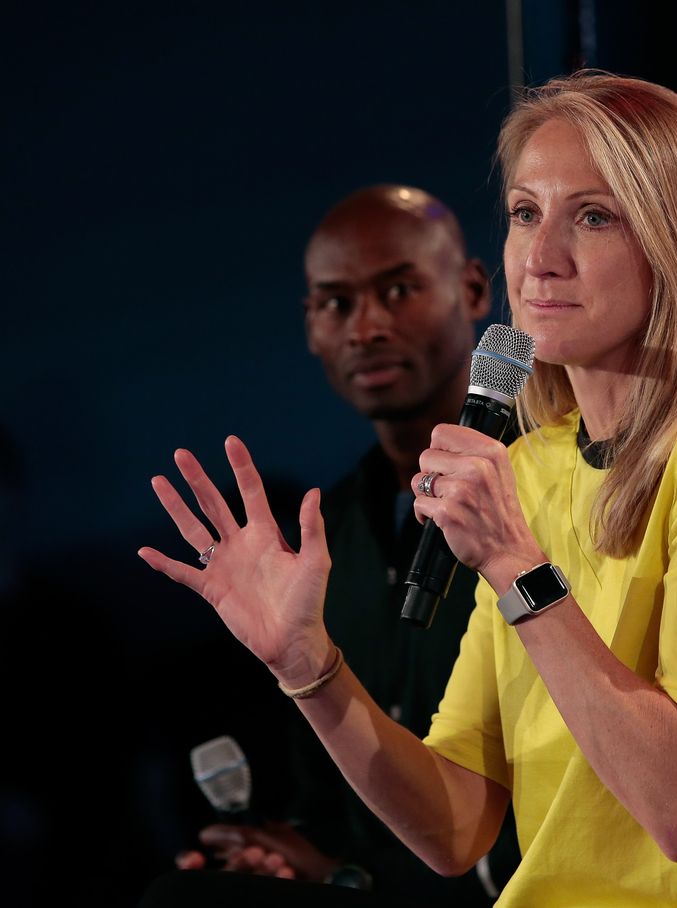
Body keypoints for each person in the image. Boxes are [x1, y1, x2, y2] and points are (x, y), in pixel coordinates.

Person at [140, 72, 677, 906]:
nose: (541, 257)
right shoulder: (532, 467)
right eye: (527, 212)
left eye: (593, 217)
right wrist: (308, 664)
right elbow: (455, 828)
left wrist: (514, 564)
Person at [164, 185, 518, 902]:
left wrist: (350, 877)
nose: (367, 328)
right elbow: (327, 799)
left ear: (474, 290)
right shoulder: (328, 530)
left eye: (399, 290)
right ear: (310, 326)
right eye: (336, 304)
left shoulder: (541, 499)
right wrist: (294, 856)